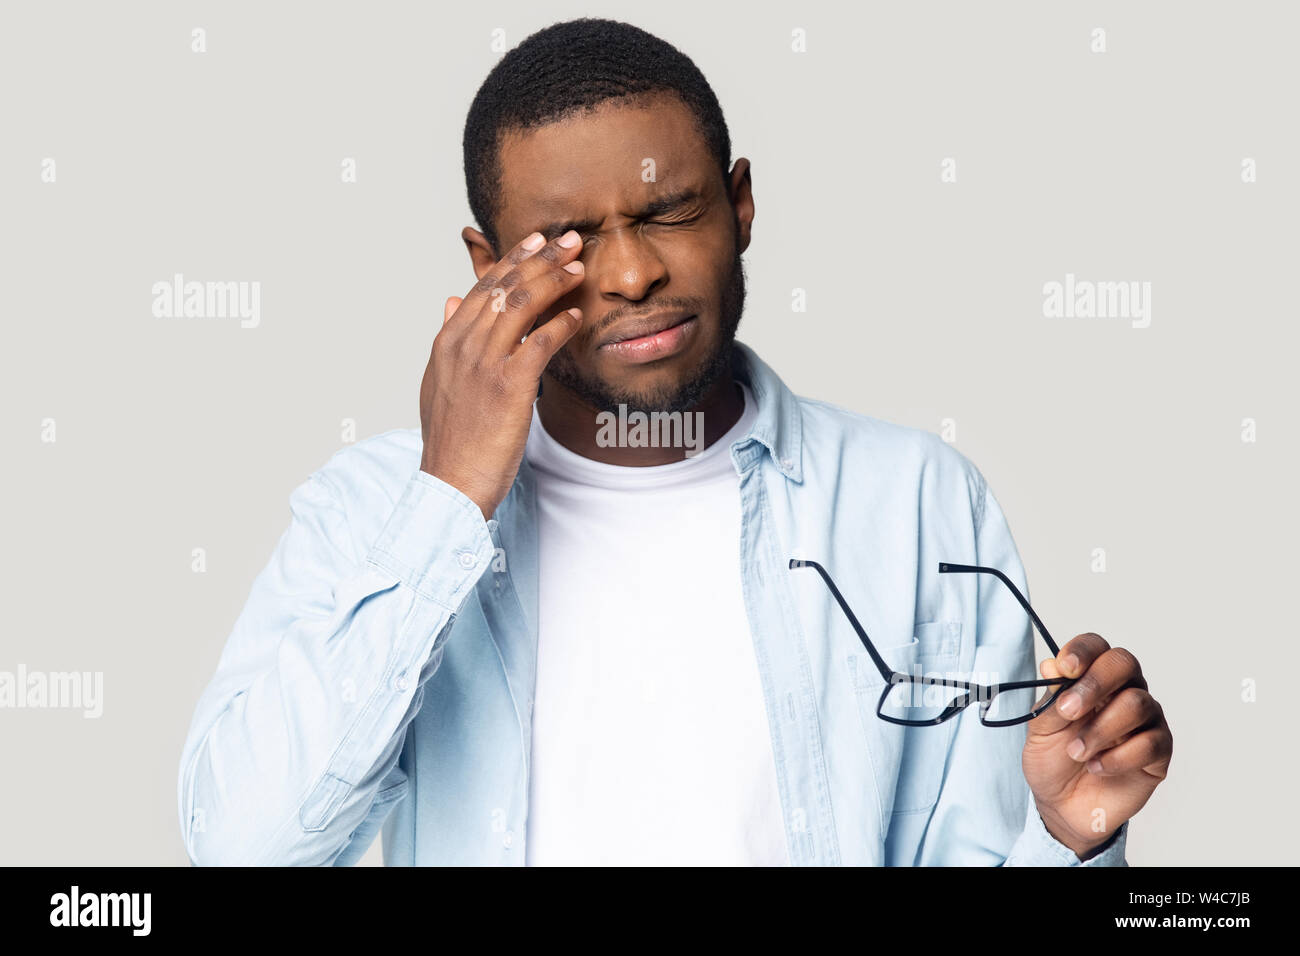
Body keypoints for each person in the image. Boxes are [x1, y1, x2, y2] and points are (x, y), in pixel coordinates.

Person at [178, 17, 1171, 866]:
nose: (629, 273)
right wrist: (451, 496)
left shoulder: (911, 498)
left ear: (740, 203)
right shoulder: (371, 508)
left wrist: (1065, 836)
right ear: (486, 264)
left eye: (669, 210)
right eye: (565, 240)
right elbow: (244, 843)